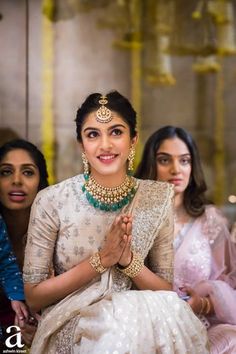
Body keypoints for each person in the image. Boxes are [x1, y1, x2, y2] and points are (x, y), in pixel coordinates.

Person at [23, 91, 208, 354]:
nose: (105, 145)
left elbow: (164, 289)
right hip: (72, 324)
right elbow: (33, 296)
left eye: (116, 132)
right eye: (93, 134)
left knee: (157, 314)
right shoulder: (52, 201)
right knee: (115, 327)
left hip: (142, 323)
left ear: (133, 140)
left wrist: (127, 261)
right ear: (81, 145)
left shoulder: (156, 198)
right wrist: (102, 259)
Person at [135, 125, 236, 353]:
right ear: (151, 165)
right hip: (146, 325)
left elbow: (230, 284)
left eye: (184, 160)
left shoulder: (211, 220)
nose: (176, 169)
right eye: (164, 160)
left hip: (200, 327)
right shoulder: (135, 218)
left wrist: (203, 305)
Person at [0, 139, 49, 349]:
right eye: (5, 172)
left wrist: (41, 331)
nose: (17, 181)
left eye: (28, 172)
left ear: (41, 182)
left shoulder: (56, 234)